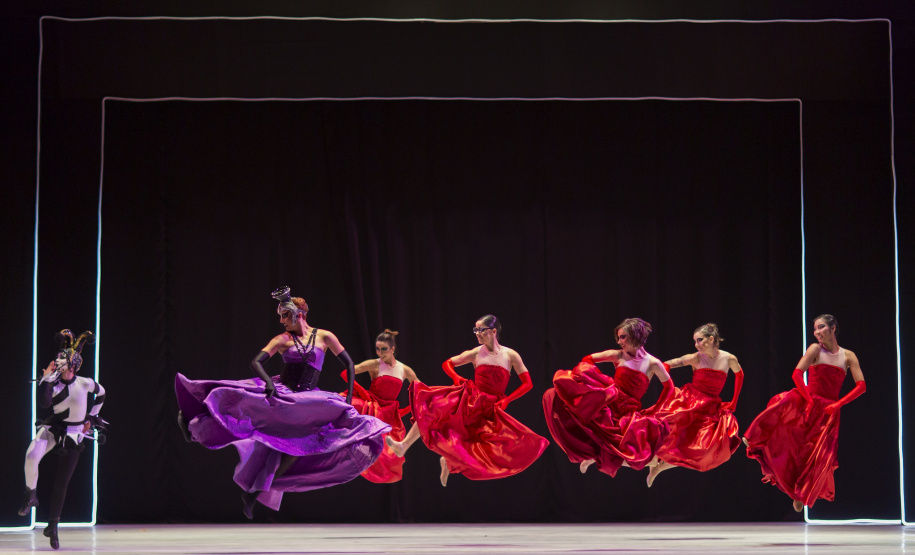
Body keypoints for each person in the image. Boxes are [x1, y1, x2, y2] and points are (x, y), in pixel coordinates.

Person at [175, 287, 390, 518]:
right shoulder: (283, 339)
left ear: (299, 314)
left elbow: (348, 364)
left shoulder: (325, 336)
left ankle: (255, 492)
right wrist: (267, 381)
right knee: (239, 405)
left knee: (298, 448)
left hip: (308, 401)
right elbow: (256, 361)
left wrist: (347, 398)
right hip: (284, 394)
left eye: (284, 315)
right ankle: (192, 421)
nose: (281, 320)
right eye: (280, 316)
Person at [386, 315, 548, 486]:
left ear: (493, 331)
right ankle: (403, 445)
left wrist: (507, 399)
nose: (477, 333)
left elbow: (527, 383)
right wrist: (456, 377)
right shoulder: (476, 352)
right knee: (433, 407)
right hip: (471, 399)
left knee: (481, 447)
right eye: (475, 330)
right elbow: (448, 363)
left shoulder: (510, 355)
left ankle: (448, 462)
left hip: (490, 407)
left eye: (481, 330)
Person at [743, 314, 865, 512]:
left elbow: (861, 386)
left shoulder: (848, 355)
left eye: (821, 327)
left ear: (833, 328)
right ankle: (757, 436)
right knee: (784, 405)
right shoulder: (815, 349)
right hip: (808, 401)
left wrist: (838, 404)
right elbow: (797, 373)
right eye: (815, 328)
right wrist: (808, 399)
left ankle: (800, 493)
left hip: (829, 411)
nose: (817, 332)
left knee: (817, 457)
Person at [542, 317, 671, 477]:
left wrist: (656, 409)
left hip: (627, 413)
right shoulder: (618, 355)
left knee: (639, 453)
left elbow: (669, 387)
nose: (619, 341)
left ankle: (596, 458)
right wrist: (602, 384)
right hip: (610, 406)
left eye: (623, 337)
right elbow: (587, 360)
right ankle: (594, 457)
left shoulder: (653, 363)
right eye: (618, 337)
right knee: (562, 401)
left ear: (635, 335)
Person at [19, 330, 105, 550]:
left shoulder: (85, 383)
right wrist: (46, 379)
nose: (57, 361)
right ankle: (31, 495)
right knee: (31, 455)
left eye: (61, 359)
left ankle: (53, 526)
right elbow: (45, 404)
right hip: (54, 428)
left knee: (62, 482)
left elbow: (102, 393)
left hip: (74, 434)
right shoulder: (54, 383)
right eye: (57, 358)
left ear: (73, 366)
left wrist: (92, 418)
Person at [643, 323, 743, 487]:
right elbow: (668, 364)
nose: (696, 345)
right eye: (695, 341)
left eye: (700, 340)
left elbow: (740, 375)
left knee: (700, 449)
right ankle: (652, 460)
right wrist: (661, 378)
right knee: (670, 431)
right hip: (691, 402)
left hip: (710, 407)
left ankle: (659, 468)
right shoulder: (696, 357)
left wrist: (734, 402)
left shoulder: (729, 359)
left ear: (711, 339)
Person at [342, 329, 417, 483]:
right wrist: (362, 393)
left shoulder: (404, 369)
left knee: (389, 455)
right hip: (373, 407)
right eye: (377, 348)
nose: (380, 352)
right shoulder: (375, 364)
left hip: (389, 413)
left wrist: (411, 408)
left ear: (392, 349)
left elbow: (420, 389)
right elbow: (347, 372)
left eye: (384, 349)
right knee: (341, 404)